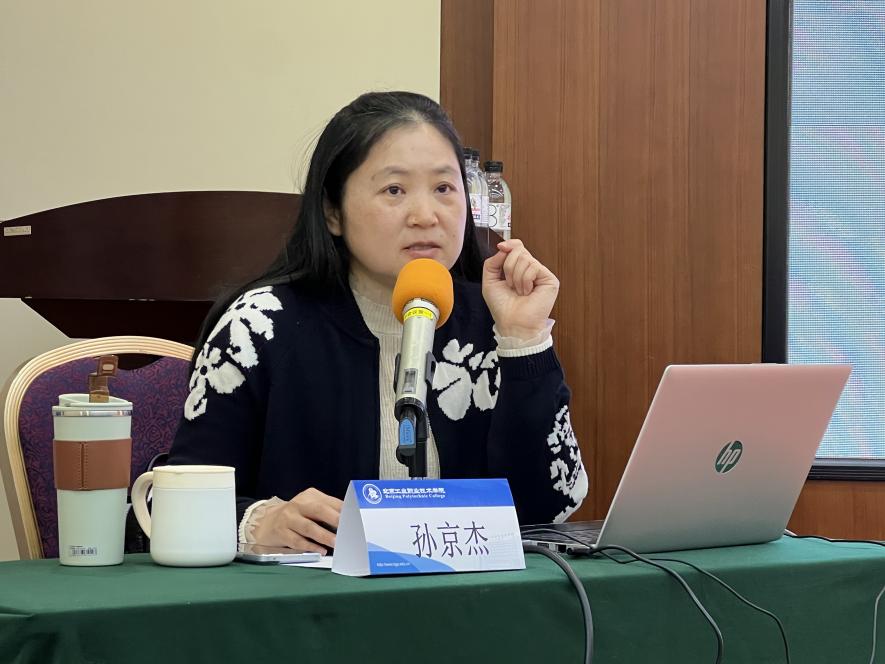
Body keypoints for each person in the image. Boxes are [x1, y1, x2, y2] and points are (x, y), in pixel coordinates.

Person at [168, 91, 588, 554]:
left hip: (471, 592)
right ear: (333, 212)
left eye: (444, 189)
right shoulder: (259, 326)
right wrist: (256, 523)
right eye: (394, 190)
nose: (425, 216)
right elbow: (172, 503)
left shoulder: (494, 320)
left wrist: (523, 341)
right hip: (313, 595)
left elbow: (551, 507)